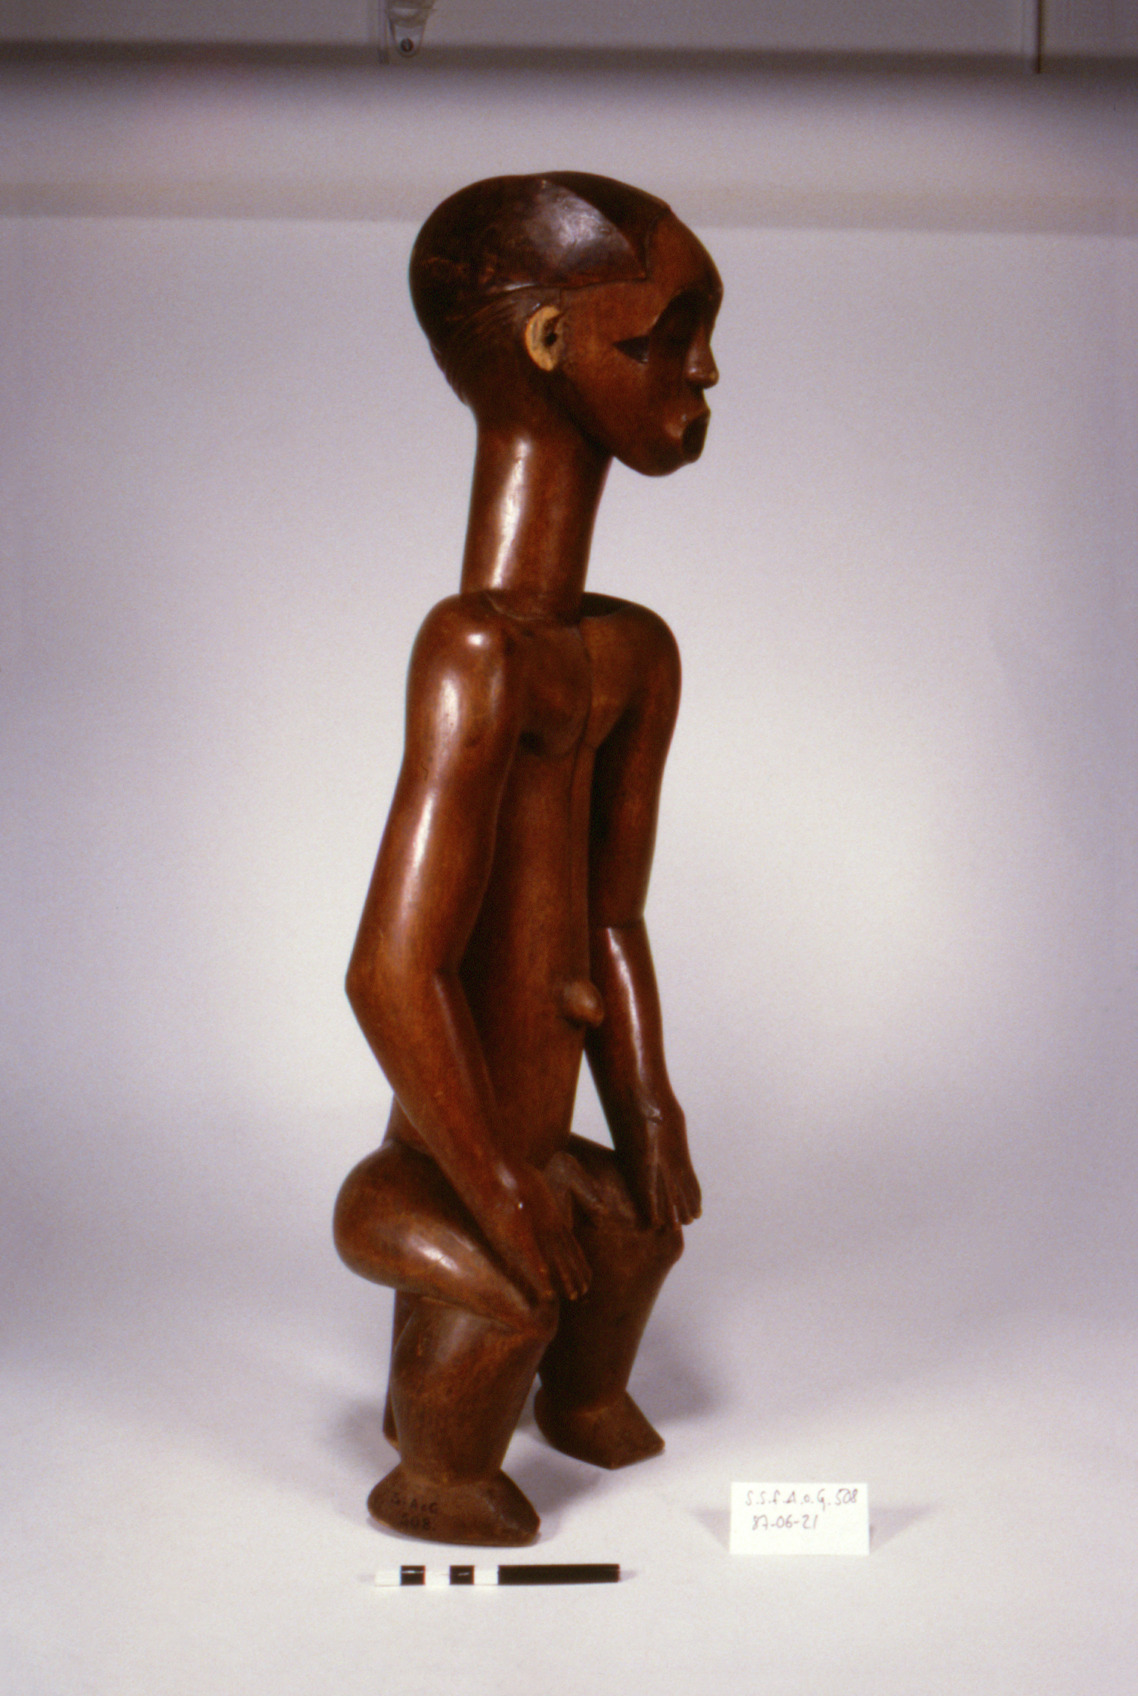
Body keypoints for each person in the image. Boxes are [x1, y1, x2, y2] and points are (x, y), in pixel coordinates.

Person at [334, 173, 721, 1546]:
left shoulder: (631, 653)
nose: (703, 372)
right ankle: (436, 1474)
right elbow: (393, 973)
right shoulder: (474, 653)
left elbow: (612, 920)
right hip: (435, 1170)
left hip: (532, 1141)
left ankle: (580, 1401)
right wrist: (495, 1186)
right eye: (667, 335)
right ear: (552, 342)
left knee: (641, 1228)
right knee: (516, 1285)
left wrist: (649, 1105)